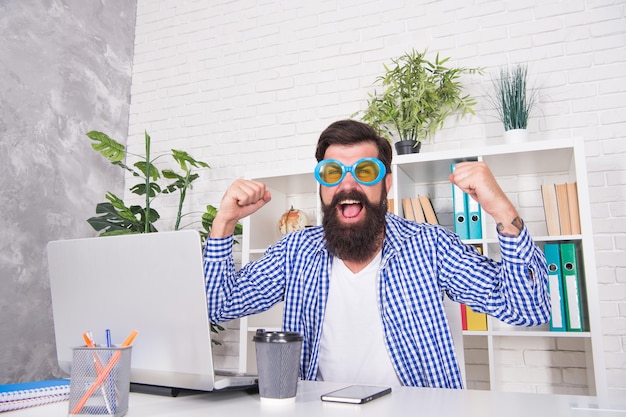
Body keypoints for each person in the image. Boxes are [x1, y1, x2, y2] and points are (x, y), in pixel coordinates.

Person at [203, 119, 551, 389]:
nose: (348, 184)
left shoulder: (429, 246)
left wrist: (502, 209)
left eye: (365, 171)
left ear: (386, 183)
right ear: (322, 185)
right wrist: (224, 222)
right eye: (333, 172)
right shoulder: (295, 252)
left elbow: (529, 309)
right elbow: (219, 305)